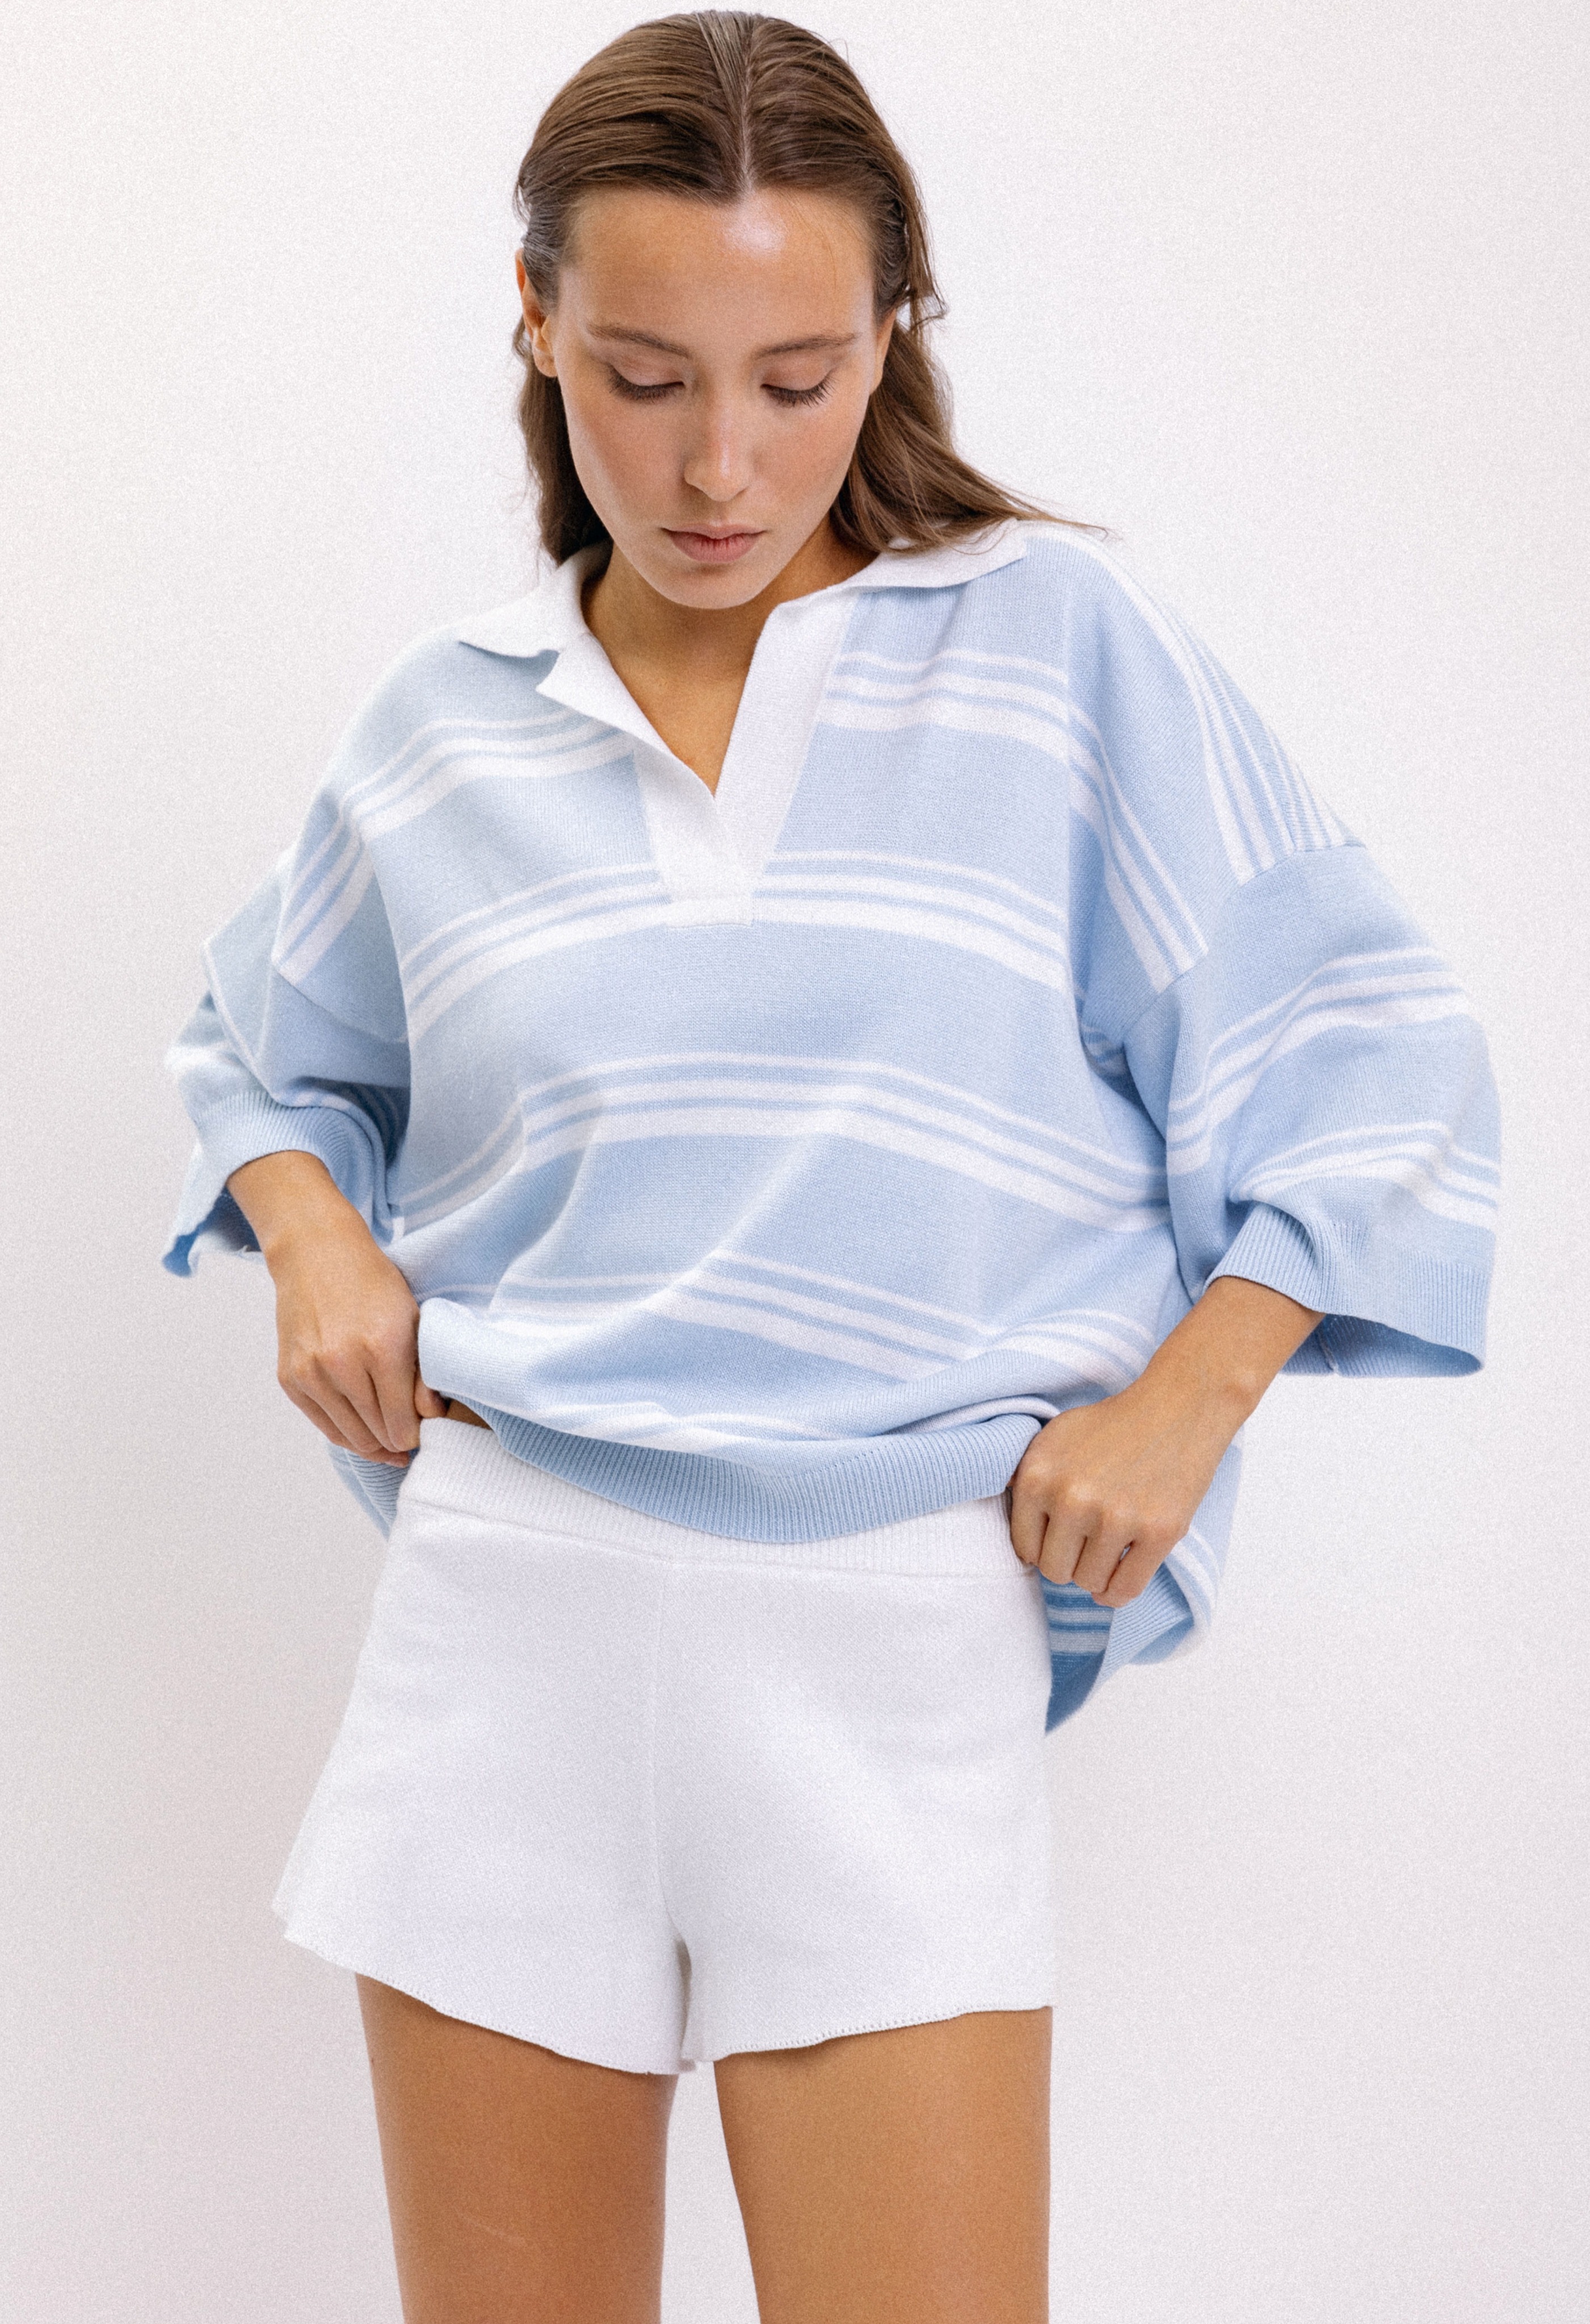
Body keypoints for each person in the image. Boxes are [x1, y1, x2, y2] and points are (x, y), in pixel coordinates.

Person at [160, 12, 1499, 2320]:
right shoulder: (442, 721)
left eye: (796, 379)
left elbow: (1369, 1048)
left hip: (891, 1635)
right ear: (536, 324)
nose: (719, 462)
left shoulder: (1053, 651)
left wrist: (1184, 1401)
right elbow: (259, 1054)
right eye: (644, 375)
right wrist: (309, 1244)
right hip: (506, 1619)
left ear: (892, 332)